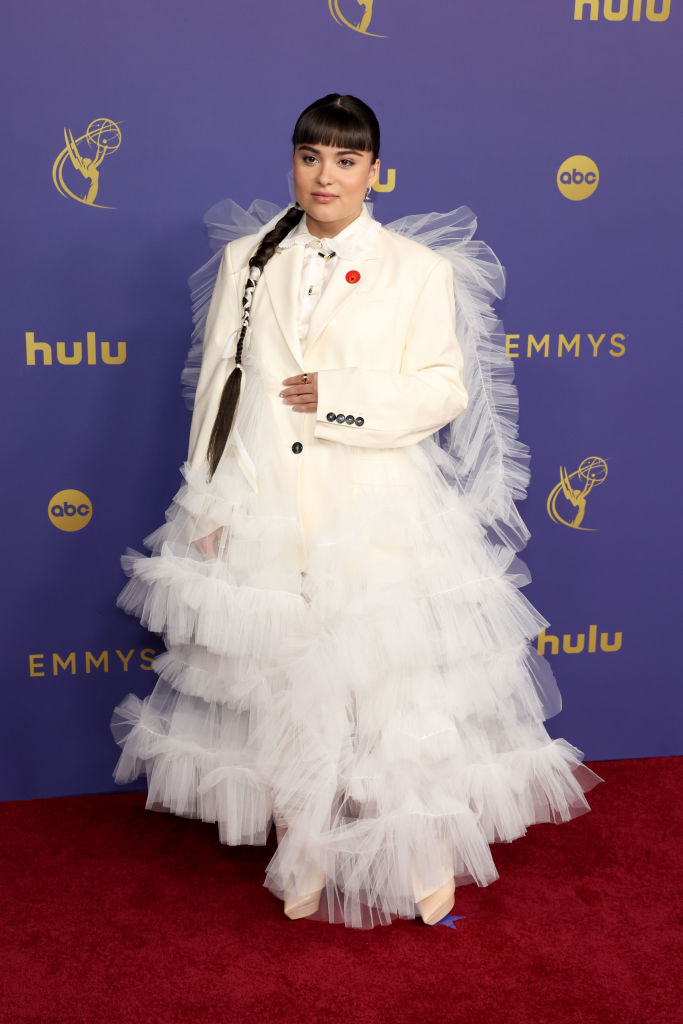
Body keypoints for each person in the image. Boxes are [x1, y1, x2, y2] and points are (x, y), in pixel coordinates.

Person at [111, 94, 602, 929]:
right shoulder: (244, 259)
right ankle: (301, 848)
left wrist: (338, 400)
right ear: (292, 163)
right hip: (264, 503)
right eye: (309, 156)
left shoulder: (417, 268)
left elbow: (441, 390)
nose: (324, 174)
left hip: (377, 510)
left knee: (393, 690)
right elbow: (218, 389)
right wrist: (206, 492)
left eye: (345, 160)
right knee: (284, 687)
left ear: (374, 170)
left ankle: (418, 856)